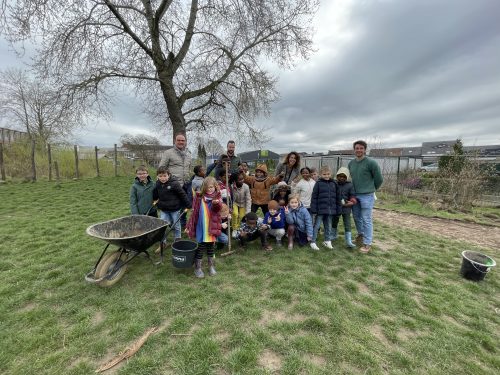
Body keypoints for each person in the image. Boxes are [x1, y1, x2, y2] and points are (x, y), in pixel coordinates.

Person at [348, 140, 384, 253]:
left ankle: (367, 244)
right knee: (356, 217)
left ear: (365, 150)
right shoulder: (351, 163)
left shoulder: (371, 163)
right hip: (355, 195)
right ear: (354, 150)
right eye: (357, 148)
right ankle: (361, 236)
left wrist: (371, 189)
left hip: (367, 196)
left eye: (361, 148)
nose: (359, 150)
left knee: (366, 219)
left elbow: (379, 179)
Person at [186, 176, 222, 278]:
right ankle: (198, 268)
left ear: (215, 187)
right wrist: (189, 225)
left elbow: (218, 209)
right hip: (201, 227)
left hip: (212, 227)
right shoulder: (199, 198)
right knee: (200, 247)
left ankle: (211, 266)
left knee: (211, 247)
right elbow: (194, 213)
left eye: (211, 187)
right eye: (207, 187)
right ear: (203, 188)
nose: (209, 189)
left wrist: (216, 204)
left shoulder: (217, 198)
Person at [153, 166, 191, 242]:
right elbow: (156, 194)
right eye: (160, 176)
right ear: (157, 176)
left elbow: (182, 194)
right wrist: (155, 201)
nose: (162, 178)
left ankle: (177, 239)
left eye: (164, 176)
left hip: (175, 209)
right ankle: (163, 242)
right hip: (164, 209)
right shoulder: (157, 184)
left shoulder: (174, 183)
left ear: (169, 175)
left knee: (176, 225)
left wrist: (188, 205)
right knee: (162, 226)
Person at [309, 165, 342, 250]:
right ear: (320, 175)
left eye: (328, 174)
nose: (326, 176)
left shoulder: (334, 183)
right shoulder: (318, 184)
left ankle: (327, 240)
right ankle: (313, 241)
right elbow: (314, 197)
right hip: (320, 210)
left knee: (328, 226)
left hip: (330, 210)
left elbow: (338, 197)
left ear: (331, 174)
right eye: (324, 174)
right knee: (316, 226)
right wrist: (314, 209)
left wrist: (338, 209)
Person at [332, 167, 357, 248]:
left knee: (347, 223)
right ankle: (333, 234)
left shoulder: (350, 185)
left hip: (346, 207)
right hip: (336, 207)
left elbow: (352, 195)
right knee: (334, 221)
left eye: (344, 176)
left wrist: (352, 201)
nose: (341, 178)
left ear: (347, 177)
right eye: (340, 176)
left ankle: (348, 240)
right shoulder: (334, 183)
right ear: (337, 176)